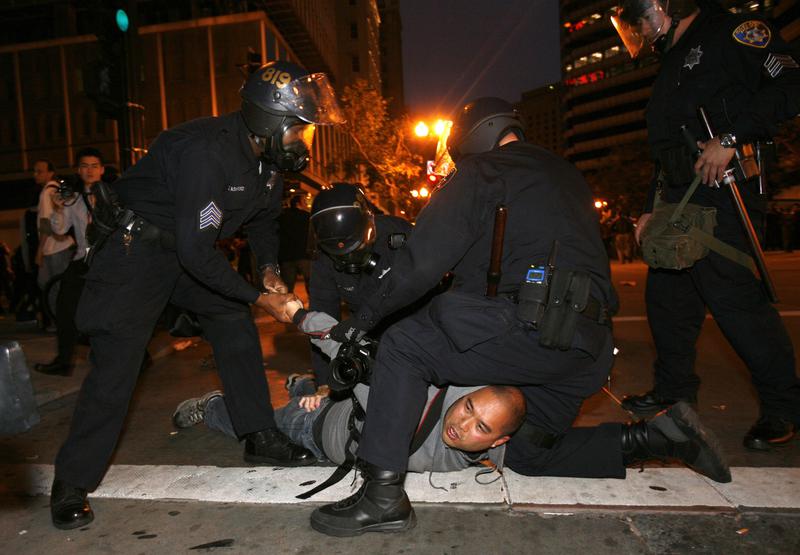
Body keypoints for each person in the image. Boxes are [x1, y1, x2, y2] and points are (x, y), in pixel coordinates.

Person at [270, 97, 729, 537]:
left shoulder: (482, 170)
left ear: (470, 138)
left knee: (405, 346)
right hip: (585, 346)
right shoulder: (565, 174)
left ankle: (382, 496)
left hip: (530, 326)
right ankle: (659, 439)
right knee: (529, 451)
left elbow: (424, 263)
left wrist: (361, 322)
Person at [49, 60, 345, 531]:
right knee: (118, 364)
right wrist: (257, 296)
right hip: (136, 253)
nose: (303, 142)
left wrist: (267, 270)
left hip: (186, 251)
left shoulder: (266, 161)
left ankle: (258, 433)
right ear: (270, 122)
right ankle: (71, 482)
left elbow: (264, 221)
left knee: (231, 320)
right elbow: (196, 252)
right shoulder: (205, 153)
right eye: (299, 131)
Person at [611, 0, 800, 450]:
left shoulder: (733, 31)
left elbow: (792, 84)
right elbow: (667, 146)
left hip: (725, 190)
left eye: (639, 16)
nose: (636, 29)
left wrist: (733, 139)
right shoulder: (673, 58)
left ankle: (784, 407)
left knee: (735, 301)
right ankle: (675, 396)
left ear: (665, 5)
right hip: (679, 197)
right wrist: (649, 207)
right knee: (667, 302)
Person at [306, 183, 414, 386]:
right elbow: (321, 320)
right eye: (338, 254)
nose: (347, 260)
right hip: (365, 330)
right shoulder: (323, 259)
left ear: (370, 228)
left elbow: (420, 287)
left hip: (413, 323)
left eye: (355, 249)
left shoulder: (398, 234)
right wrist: (323, 383)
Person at [34, 149, 101, 376]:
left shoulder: (112, 195)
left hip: (108, 261)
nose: (89, 170)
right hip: (82, 259)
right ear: (78, 170)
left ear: (101, 169)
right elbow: (60, 229)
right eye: (85, 166)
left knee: (113, 312)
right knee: (65, 307)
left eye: (94, 166)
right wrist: (58, 207)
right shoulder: (73, 199)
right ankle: (64, 361)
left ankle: (139, 357)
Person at [277, 194, 312, 292]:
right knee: (311, 282)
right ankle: (314, 304)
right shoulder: (307, 217)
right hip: (304, 254)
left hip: (286, 256)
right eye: (304, 202)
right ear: (298, 204)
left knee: (287, 285)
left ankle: (287, 305)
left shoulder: (282, 217)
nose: (306, 204)